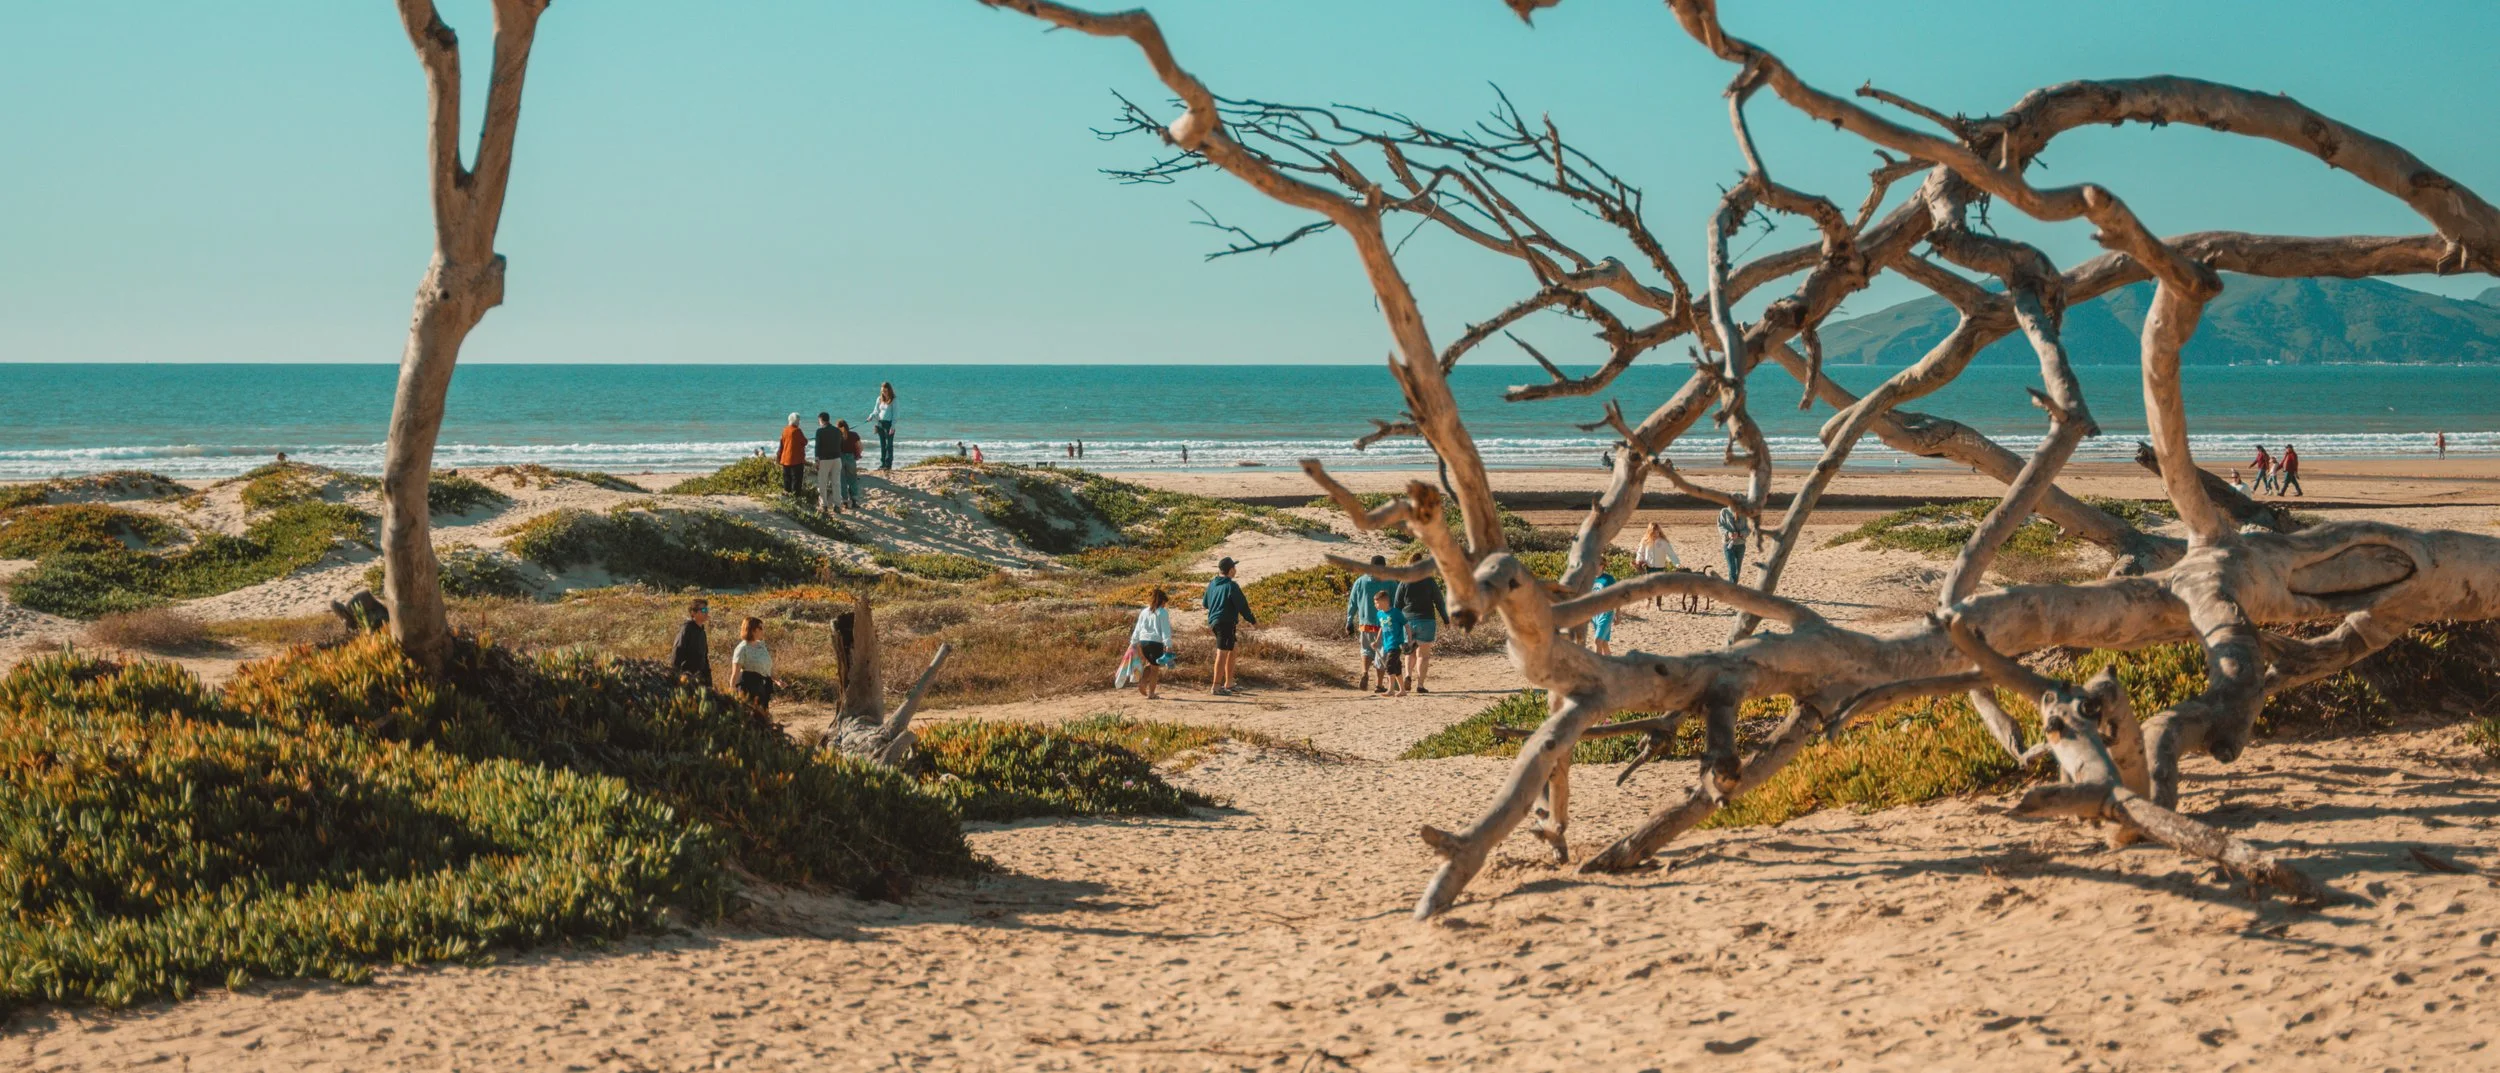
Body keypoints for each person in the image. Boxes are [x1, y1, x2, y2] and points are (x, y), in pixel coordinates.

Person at [1203, 556, 1257, 695]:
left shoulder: (1212, 583)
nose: (1236, 570)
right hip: (1224, 622)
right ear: (1231, 570)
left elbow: (1205, 603)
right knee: (1222, 652)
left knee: (1233, 649)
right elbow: (1242, 605)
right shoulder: (1232, 586)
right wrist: (1252, 620)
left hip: (1216, 622)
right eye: (1234, 567)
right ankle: (1216, 686)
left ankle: (1229, 683)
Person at [1394, 563, 1447, 694]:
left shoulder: (1404, 581)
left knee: (1409, 652)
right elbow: (1439, 601)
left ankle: (1407, 675)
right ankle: (1420, 685)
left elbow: (1397, 603)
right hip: (1426, 621)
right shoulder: (1429, 580)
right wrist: (1446, 619)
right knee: (1423, 655)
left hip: (1408, 621)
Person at [1345, 556, 1395, 693]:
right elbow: (1396, 602)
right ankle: (1379, 684)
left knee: (1366, 650)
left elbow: (1352, 603)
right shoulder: (1390, 581)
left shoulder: (1360, 581)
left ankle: (1365, 672)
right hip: (1385, 624)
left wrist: (1349, 621)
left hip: (1365, 624)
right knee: (1382, 654)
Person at [1130, 587, 1172, 700]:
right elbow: (1165, 630)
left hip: (1143, 642)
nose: (1165, 605)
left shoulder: (1144, 611)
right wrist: (1168, 645)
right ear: (1162, 601)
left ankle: (1143, 683)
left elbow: (1138, 628)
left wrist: (1133, 642)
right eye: (1164, 603)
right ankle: (1151, 693)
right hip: (1155, 642)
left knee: (1151, 663)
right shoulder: (1162, 612)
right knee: (1155, 669)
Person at [730, 616, 775, 712]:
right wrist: (731, 689)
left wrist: (777, 680)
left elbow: (767, 665)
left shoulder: (761, 645)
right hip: (748, 686)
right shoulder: (742, 648)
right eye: (760, 628)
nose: (763, 631)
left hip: (762, 685)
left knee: (763, 715)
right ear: (752, 630)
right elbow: (735, 672)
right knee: (751, 715)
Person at [1636, 521, 1680, 609]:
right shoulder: (1645, 540)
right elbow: (1640, 552)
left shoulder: (1663, 542)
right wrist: (1638, 560)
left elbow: (1671, 553)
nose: (1656, 533)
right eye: (1654, 531)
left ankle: (1658, 605)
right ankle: (1648, 600)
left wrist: (1677, 563)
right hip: (1649, 566)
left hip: (1660, 567)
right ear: (1650, 531)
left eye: (1657, 531)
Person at [1372, 589, 1408, 696]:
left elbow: (1406, 625)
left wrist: (1408, 640)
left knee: (1389, 665)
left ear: (1384, 602)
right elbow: (1381, 628)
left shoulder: (1396, 612)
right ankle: (1402, 690)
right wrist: (1377, 641)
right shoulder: (1379, 614)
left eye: (1377, 603)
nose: (1375, 605)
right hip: (1387, 644)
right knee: (1396, 667)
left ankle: (1391, 689)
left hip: (1396, 643)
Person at [670, 599, 712, 688]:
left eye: (707, 610)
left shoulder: (702, 632)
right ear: (693, 613)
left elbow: (704, 657)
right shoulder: (686, 629)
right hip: (686, 678)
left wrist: (708, 680)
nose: (706, 612)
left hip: (700, 679)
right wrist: (675, 677)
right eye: (703, 610)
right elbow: (677, 652)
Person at [813, 413, 842, 514]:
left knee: (822, 483)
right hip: (837, 459)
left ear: (821, 420)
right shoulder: (837, 430)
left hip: (825, 459)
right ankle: (837, 505)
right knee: (836, 483)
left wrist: (817, 460)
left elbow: (817, 446)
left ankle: (824, 505)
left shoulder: (820, 431)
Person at [776, 413, 809, 498]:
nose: (799, 422)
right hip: (796, 459)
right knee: (796, 480)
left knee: (787, 479)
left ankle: (787, 497)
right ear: (796, 421)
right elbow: (804, 442)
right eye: (798, 420)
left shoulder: (785, 430)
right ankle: (796, 498)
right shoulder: (797, 430)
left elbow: (781, 444)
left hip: (785, 458)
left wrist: (778, 456)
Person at [868, 382, 898, 471]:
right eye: (882, 391)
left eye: (885, 391)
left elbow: (895, 414)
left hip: (889, 424)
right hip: (880, 423)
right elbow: (876, 411)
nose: (883, 392)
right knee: (882, 445)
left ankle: (888, 465)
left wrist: (893, 426)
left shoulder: (894, 400)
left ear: (889, 390)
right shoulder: (879, 399)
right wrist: (871, 416)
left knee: (889, 445)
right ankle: (883, 463)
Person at [835, 419, 864, 509]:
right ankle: (854, 500)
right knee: (852, 479)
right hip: (850, 457)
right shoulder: (854, 435)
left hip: (840, 458)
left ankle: (845, 501)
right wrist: (857, 455)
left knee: (842, 480)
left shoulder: (837, 436)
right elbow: (860, 447)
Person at [1717, 505, 1749, 583]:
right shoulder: (1724, 511)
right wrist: (1728, 533)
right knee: (1732, 569)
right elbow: (1720, 526)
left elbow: (1749, 528)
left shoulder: (1744, 513)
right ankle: (1732, 590)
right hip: (1728, 545)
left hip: (1740, 545)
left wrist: (1739, 533)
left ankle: (1734, 587)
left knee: (1738, 570)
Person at [1589, 571, 1617, 656]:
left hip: (1606, 613)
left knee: (1597, 640)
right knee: (1604, 642)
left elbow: (1617, 595)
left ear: (1602, 565)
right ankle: (1611, 664)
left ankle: (1597, 666)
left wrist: (1618, 613)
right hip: (1595, 614)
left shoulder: (1609, 579)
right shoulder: (1590, 578)